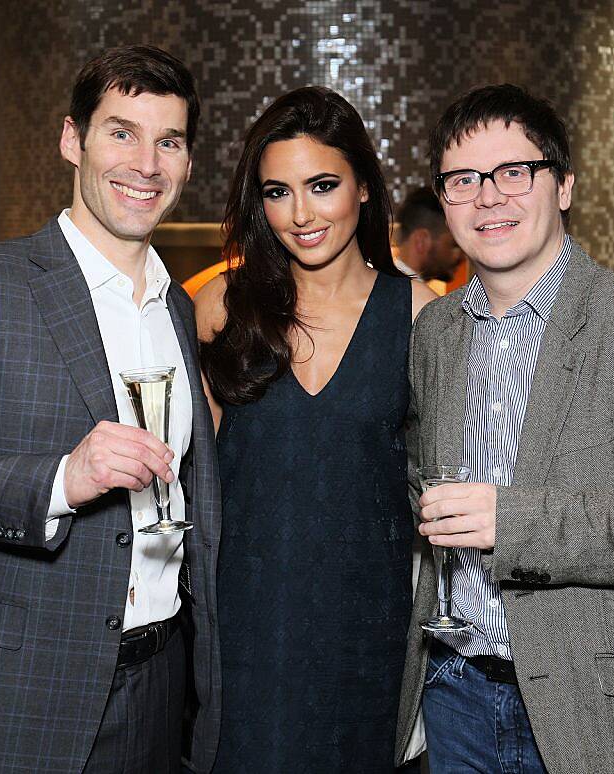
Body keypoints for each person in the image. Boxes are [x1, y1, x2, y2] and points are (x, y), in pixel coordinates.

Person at [0, 45, 220, 774]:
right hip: (12, 692)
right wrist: (62, 480)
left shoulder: (178, 307)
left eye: (169, 142)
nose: (146, 163)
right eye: (121, 132)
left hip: (158, 688)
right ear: (72, 140)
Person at [394, 84, 614, 774]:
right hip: (458, 698)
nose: (488, 196)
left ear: (562, 186)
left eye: (514, 172)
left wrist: (516, 521)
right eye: (463, 180)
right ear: (444, 201)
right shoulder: (435, 331)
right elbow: (421, 476)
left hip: (608, 708)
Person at [195, 86, 435, 773]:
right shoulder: (220, 305)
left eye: (322, 185)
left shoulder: (419, 313)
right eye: (277, 191)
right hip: (243, 630)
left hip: (368, 633)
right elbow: (191, 483)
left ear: (362, 185)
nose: (299, 214)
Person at [394, 187, 464, 287]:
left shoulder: (389, 289)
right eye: (454, 245)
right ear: (421, 241)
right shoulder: (412, 298)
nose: (462, 257)